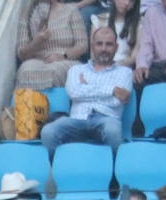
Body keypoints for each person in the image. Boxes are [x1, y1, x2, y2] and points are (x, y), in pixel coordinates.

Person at [39, 26, 133, 155]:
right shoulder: (76, 70)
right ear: (92, 46)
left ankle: (114, 173)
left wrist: (86, 87)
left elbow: (118, 101)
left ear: (116, 47)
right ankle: (58, 170)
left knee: (113, 131)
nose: (104, 49)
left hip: (106, 119)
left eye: (109, 44)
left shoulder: (125, 73)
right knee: (48, 132)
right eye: (99, 44)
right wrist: (112, 89)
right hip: (77, 119)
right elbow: (74, 92)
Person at [15, 0, 89, 91]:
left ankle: (51, 103)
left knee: (54, 71)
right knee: (24, 70)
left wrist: (63, 56)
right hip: (38, 60)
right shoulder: (28, 16)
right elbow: (22, 54)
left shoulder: (70, 10)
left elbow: (82, 45)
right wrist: (35, 43)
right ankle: (28, 103)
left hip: (66, 59)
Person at [93, 0, 140, 70]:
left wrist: (114, 67)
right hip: (100, 68)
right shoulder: (99, 20)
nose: (127, 3)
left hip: (125, 69)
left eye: (132, 1)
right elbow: (93, 54)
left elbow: (133, 58)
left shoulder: (139, 25)